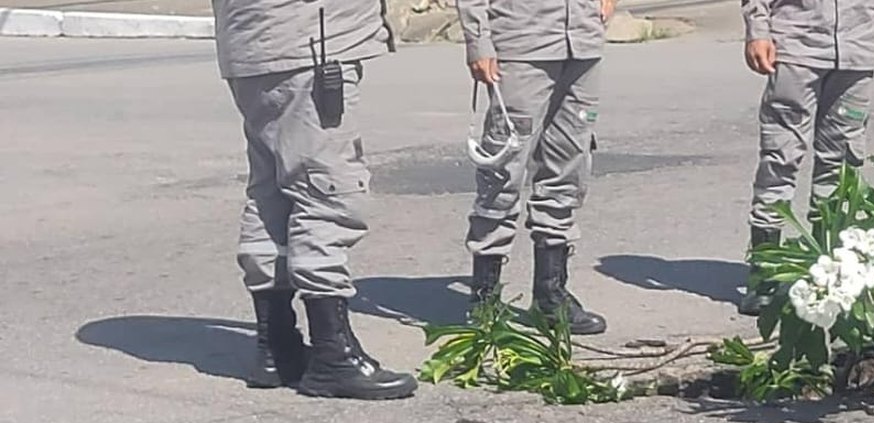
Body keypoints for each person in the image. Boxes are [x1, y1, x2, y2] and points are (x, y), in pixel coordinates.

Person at [212, 0, 418, 400]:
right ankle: (333, 354)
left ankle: (276, 347)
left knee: (271, 193)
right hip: (310, 40)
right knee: (328, 192)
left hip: (252, 43)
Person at [737, 0, 874, 316]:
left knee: (841, 163)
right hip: (795, 47)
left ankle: (828, 269)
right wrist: (758, 30)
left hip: (857, 50)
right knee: (780, 159)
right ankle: (764, 272)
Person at [455, 0, 618, 336]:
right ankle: (485, 299)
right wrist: (478, 40)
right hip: (521, 42)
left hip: (582, 42)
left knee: (569, 168)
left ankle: (550, 295)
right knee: (502, 172)